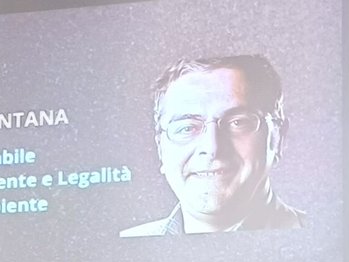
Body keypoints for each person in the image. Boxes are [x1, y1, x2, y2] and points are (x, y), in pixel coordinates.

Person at [120, 54, 304, 237]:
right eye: (187, 128)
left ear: (278, 138)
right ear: (161, 150)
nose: (212, 148)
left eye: (237, 122)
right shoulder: (124, 244)